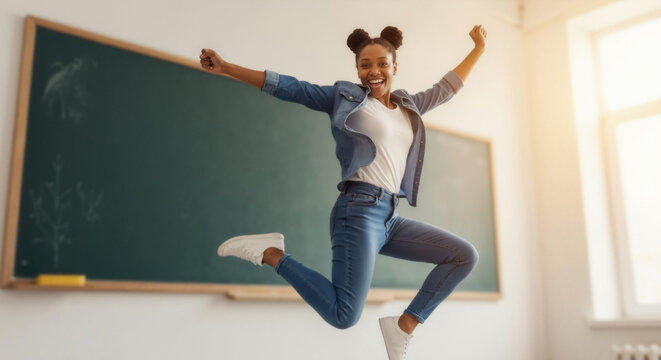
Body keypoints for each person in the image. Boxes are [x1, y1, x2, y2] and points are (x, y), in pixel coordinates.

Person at [200, 24, 487, 360]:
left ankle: (404, 326)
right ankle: (272, 254)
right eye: (365, 65)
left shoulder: (411, 107)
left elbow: (447, 87)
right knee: (343, 315)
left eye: (382, 63)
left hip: (389, 216)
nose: (374, 72)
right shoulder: (344, 98)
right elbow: (291, 88)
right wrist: (227, 68)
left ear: (395, 67)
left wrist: (478, 49)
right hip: (358, 210)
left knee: (463, 255)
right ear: (357, 70)